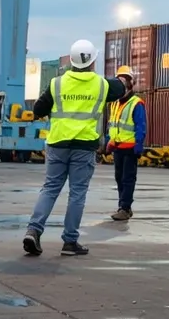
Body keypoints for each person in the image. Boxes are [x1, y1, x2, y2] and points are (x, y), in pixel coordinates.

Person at [23, 39, 127, 257]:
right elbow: (120, 88)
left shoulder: (56, 83)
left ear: (71, 60)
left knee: (50, 188)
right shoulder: (101, 85)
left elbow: (38, 109)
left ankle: (34, 230)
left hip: (58, 143)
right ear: (93, 62)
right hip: (84, 146)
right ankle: (70, 242)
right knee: (77, 193)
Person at [107, 64, 146, 222]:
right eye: (120, 80)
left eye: (125, 80)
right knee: (119, 178)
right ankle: (124, 207)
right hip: (118, 148)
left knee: (127, 179)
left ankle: (124, 207)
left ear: (131, 83)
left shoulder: (136, 103)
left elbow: (141, 126)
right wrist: (109, 142)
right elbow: (113, 125)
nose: (123, 83)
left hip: (130, 148)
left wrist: (139, 145)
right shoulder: (115, 103)